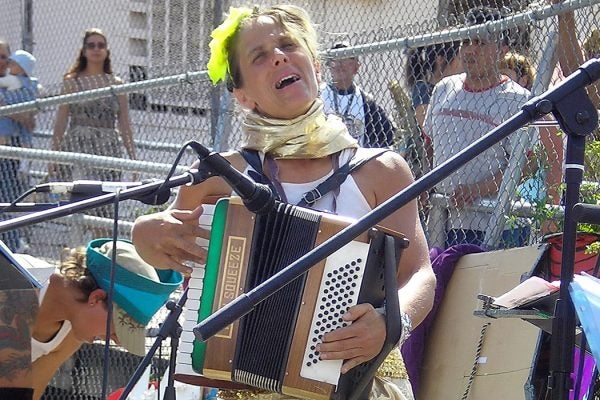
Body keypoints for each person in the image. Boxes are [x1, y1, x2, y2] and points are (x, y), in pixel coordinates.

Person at [132, 5, 435, 399]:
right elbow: (170, 252)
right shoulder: (217, 177)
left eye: (289, 45)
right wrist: (144, 235)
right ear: (242, 95)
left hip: (358, 381)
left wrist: (391, 322)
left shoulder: (382, 170)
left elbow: (419, 275)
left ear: (316, 66)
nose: (279, 56)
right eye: (259, 56)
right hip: (246, 386)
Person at [423, 6, 561, 248]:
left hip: (492, 222)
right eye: (466, 41)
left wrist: (479, 189)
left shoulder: (517, 101)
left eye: (480, 42)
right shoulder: (443, 89)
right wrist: (425, 182)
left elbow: (527, 163)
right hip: (441, 218)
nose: (469, 50)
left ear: (501, 50)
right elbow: (429, 144)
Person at [31, 238, 183, 399]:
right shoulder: (18, 286)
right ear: (96, 298)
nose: (117, 341)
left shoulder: (71, 333)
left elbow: (28, 392)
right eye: (117, 329)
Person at [49, 28, 136, 187]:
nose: (96, 49)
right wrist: (53, 155)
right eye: (91, 45)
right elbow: (60, 122)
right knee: (77, 193)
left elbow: (124, 124)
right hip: (78, 145)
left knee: (105, 196)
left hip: (108, 147)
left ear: (107, 51)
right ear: (84, 51)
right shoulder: (72, 82)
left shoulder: (117, 84)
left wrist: (133, 158)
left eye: (101, 45)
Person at [320, 41, 397, 148]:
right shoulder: (318, 95)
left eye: (346, 57)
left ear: (356, 67)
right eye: (335, 57)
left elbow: (387, 137)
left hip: (355, 161)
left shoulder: (366, 102)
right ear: (329, 65)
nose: (339, 62)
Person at [0, 40, 37, 253]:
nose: (2, 62)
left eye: (5, 57)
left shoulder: (18, 85)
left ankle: (10, 251)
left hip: (8, 154)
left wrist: (6, 108)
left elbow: (29, 122)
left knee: (7, 202)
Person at [405, 41, 462, 131]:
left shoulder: (455, 88)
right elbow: (427, 127)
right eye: (459, 58)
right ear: (440, 60)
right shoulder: (423, 89)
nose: (463, 63)